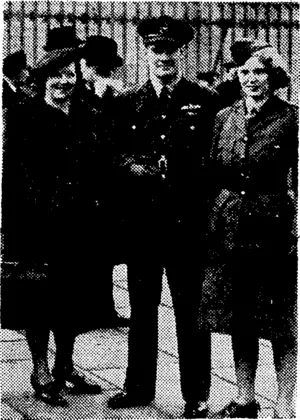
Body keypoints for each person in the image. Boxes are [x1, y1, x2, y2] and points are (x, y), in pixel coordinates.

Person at [108, 16, 219, 418]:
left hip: (186, 225)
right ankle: (137, 386)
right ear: (146, 53)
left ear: (182, 52)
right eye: (156, 50)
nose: (164, 58)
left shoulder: (205, 101)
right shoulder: (129, 101)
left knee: (190, 311)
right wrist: (133, 167)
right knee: (142, 309)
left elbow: (213, 159)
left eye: (170, 50)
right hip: (143, 225)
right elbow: (113, 153)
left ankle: (196, 394)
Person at [4, 26, 105, 406]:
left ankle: (65, 364)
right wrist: (16, 233)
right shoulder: (26, 116)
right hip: (40, 225)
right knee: (40, 297)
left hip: (80, 223)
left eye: (70, 75)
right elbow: (12, 179)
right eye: (57, 75)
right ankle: (41, 367)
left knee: (73, 296)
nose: (64, 82)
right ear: (44, 78)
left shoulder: (86, 114)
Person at [208, 41, 298, 418]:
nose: (251, 80)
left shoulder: (292, 118)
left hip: (273, 226)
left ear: (273, 77)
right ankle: (244, 397)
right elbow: (213, 169)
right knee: (238, 316)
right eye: (245, 72)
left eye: (259, 72)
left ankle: (284, 403)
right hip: (230, 228)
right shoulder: (224, 117)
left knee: (279, 319)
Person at [78, 35, 129, 328]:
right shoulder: (84, 94)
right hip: (90, 183)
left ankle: (103, 307)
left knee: (103, 252)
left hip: (107, 184)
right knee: (94, 251)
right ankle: (95, 307)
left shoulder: (113, 94)